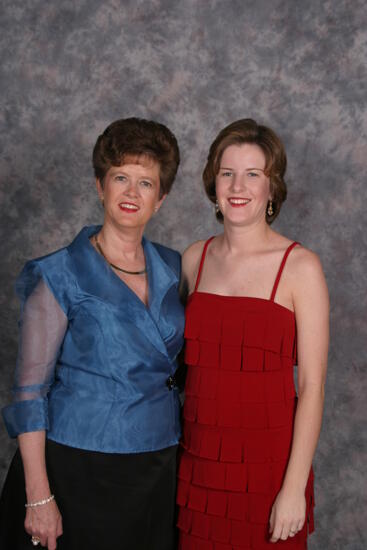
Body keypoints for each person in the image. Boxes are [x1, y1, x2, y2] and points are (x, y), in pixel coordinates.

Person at [0, 117, 185, 550]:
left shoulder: (175, 267)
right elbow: (29, 393)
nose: (131, 193)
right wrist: (38, 495)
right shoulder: (59, 273)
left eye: (145, 183)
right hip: (76, 468)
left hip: (157, 466)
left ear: (160, 199)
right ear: (100, 185)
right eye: (121, 177)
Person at [176, 119, 329, 549]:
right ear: (214, 184)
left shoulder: (302, 268)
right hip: (200, 471)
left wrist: (293, 488)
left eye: (253, 174)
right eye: (227, 173)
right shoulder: (194, 259)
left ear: (271, 188)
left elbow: (313, 387)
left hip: (268, 475)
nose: (237, 186)